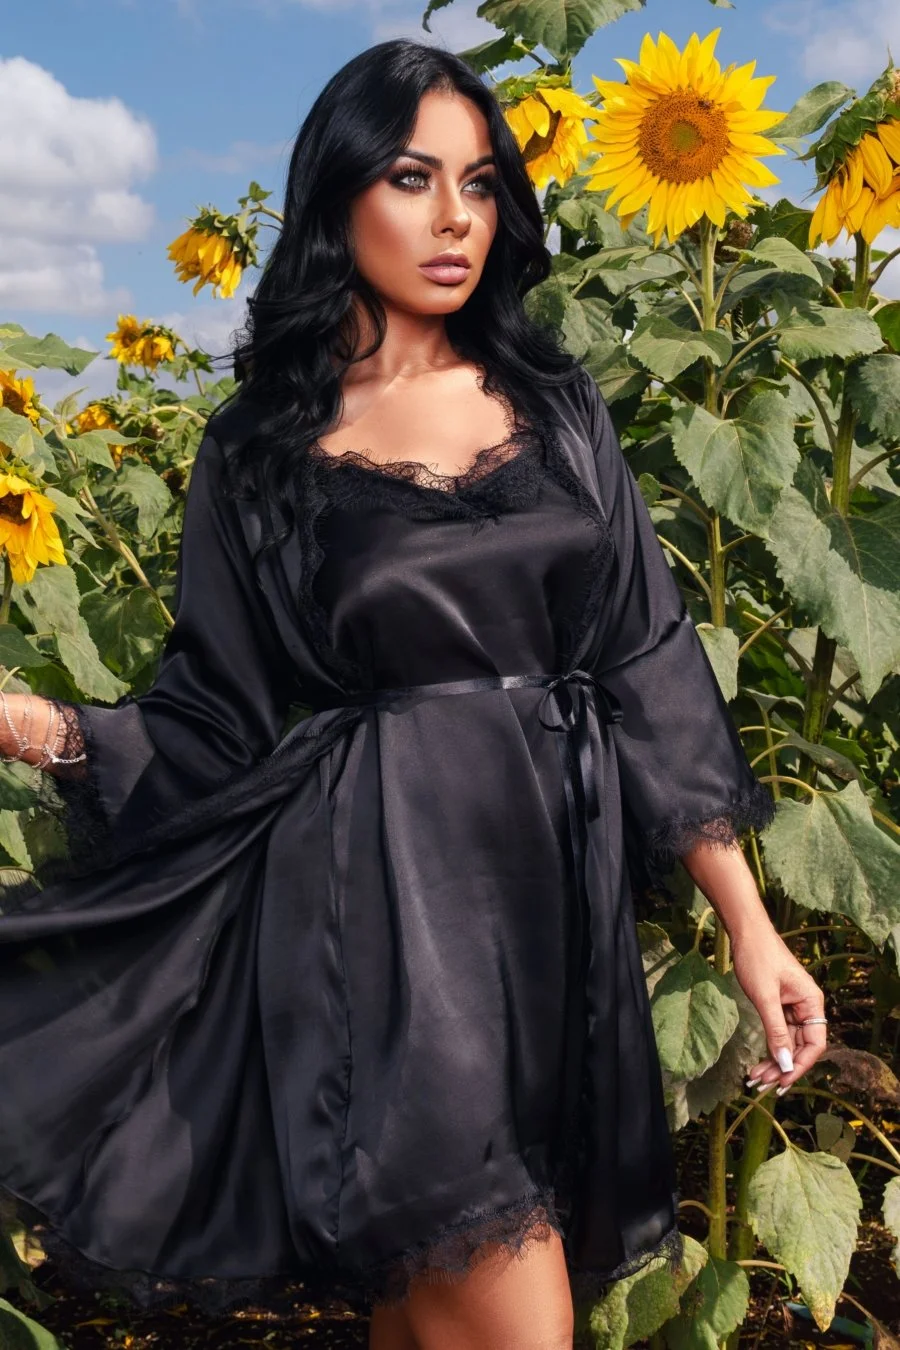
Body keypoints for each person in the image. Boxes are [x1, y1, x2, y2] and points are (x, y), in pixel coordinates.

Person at [0, 38, 827, 1350]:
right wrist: (30, 723)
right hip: (377, 907)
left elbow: (645, 657)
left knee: (429, 1309)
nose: (455, 217)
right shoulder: (263, 448)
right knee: (512, 1312)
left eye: (483, 182)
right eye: (409, 176)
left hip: (549, 911)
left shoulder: (556, 408)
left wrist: (750, 923)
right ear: (337, 197)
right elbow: (213, 724)